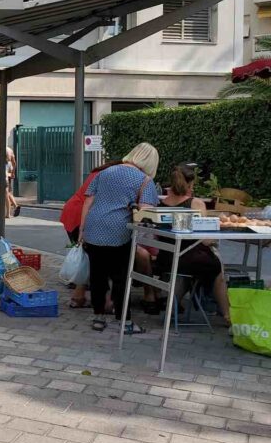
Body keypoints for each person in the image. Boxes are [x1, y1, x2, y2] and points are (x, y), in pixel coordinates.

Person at [79, 142, 160, 334]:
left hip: (94, 227)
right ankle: (124, 320)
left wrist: (83, 228)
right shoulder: (144, 181)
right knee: (121, 277)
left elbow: (88, 200)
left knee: (97, 275)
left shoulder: (105, 172)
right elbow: (147, 211)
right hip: (119, 231)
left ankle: (98, 317)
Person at [61, 160, 153, 310]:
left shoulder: (100, 173)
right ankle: (108, 302)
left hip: (73, 212)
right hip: (88, 215)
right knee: (105, 259)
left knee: (88, 256)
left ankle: (79, 297)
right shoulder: (112, 176)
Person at [152, 163, 230, 322]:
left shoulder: (161, 204)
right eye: (192, 185)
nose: (193, 189)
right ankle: (227, 315)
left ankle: (172, 305)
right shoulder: (195, 204)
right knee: (216, 267)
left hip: (166, 257)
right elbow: (206, 238)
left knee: (192, 266)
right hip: (187, 258)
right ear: (187, 184)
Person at [0, 132, 20, 217]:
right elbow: (14, 162)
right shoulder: (9, 149)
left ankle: (4, 212)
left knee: (1, 194)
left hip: (0, 174)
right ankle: (8, 212)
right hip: (6, 173)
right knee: (6, 193)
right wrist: (13, 172)